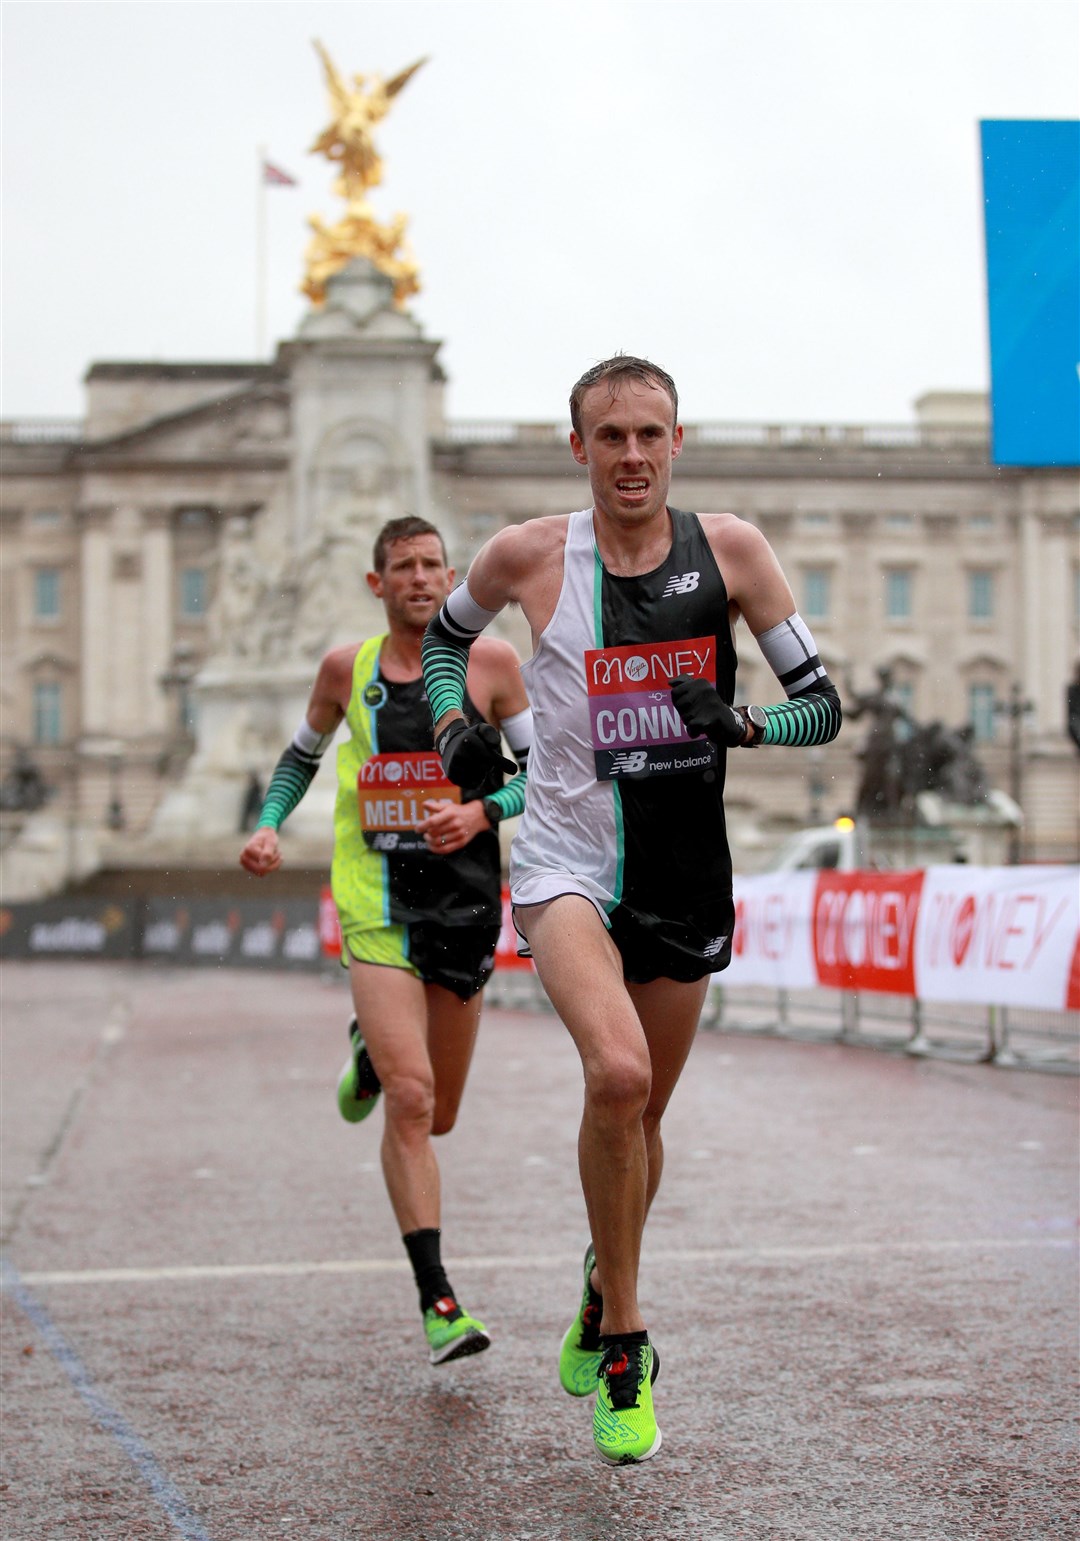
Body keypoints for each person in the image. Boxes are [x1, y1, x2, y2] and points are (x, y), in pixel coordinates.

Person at [421, 356, 842, 1463]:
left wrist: (745, 726)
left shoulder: (734, 550)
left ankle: (601, 1272)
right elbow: (443, 641)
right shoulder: (527, 553)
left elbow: (825, 708)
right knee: (619, 1075)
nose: (632, 456)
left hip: (682, 873)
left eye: (650, 434)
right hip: (565, 863)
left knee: (642, 1124)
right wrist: (453, 728)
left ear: (677, 440)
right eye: (609, 436)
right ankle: (627, 1341)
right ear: (579, 449)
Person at [240, 515, 531, 1366]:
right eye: (401, 567)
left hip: (467, 903)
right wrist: (267, 825)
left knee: (439, 1110)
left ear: (452, 577)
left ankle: (370, 1050)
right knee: (410, 1097)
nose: (418, 578)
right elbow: (300, 757)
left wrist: (482, 809)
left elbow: (547, 778)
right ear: (377, 584)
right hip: (375, 899)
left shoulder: (494, 666)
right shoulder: (346, 670)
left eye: (432, 565)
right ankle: (439, 1299)